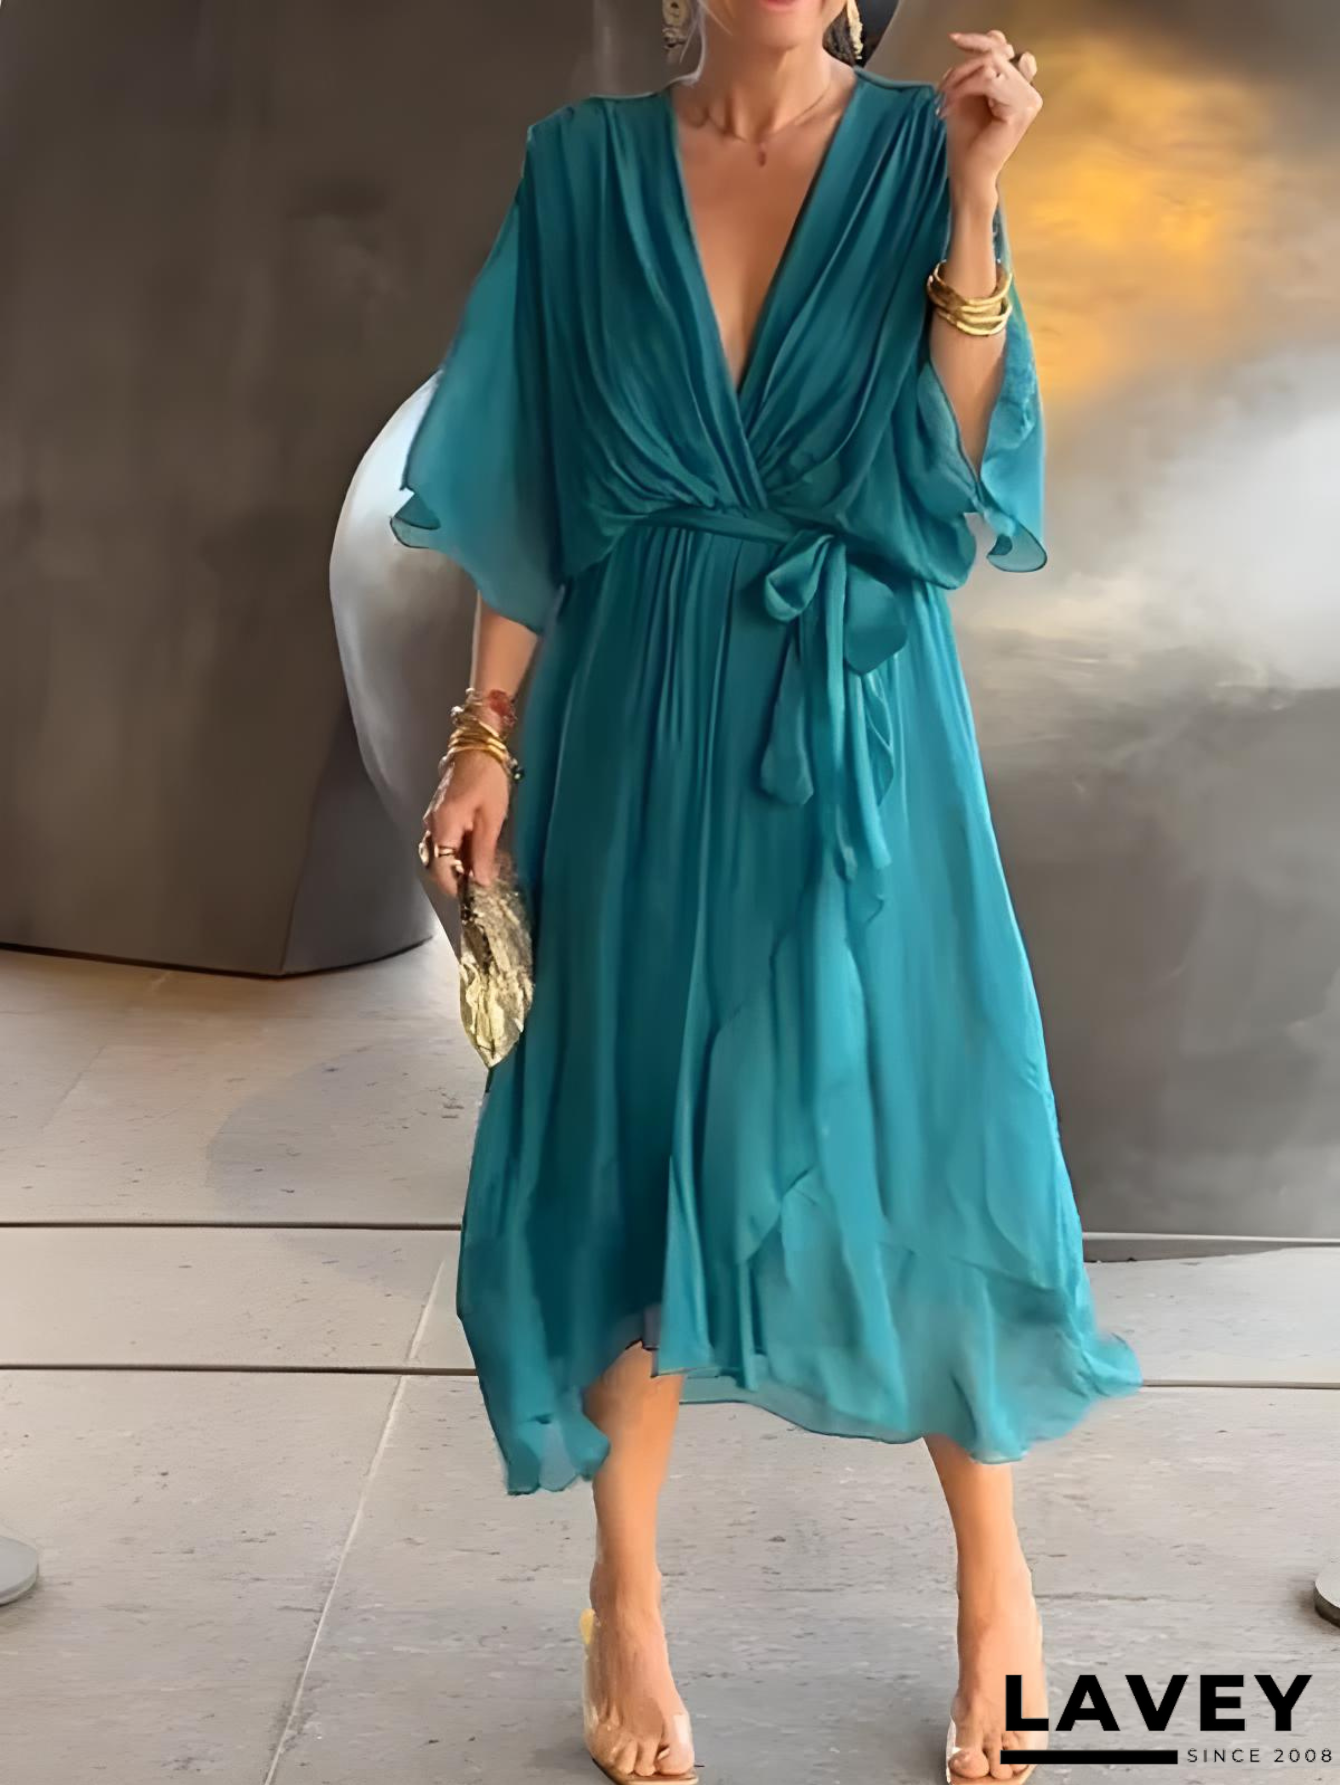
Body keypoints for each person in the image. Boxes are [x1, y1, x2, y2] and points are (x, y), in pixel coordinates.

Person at [393, 4, 1142, 1780]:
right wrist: (485, 735)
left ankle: (997, 1584)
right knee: (625, 1123)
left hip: (859, 707)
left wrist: (977, 196)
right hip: (634, 715)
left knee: (927, 1116)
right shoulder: (582, 172)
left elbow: (963, 453)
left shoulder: (924, 149)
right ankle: (627, 1595)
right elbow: (527, 488)